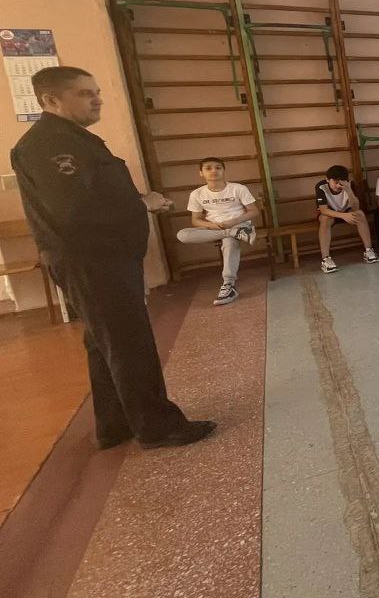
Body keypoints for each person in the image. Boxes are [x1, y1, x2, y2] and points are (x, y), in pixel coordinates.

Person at [12, 66, 215, 448]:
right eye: (84, 93)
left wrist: (139, 202)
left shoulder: (75, 139)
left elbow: (94, 194)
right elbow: (74, 210)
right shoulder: (49, 145)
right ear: (50, 100)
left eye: (97, 91)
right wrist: (142, 204)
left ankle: (115, 422)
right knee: (128, 341)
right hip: (92, 260)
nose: (97, 99)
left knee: (104, 340)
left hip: (104, 258)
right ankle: (157, 426)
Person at [176, 157, 259, 306]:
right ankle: (233, 233)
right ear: (201, 173)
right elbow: (196, 220)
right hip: (214, 228)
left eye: (218, 167)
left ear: (224, 170)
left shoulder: (238, 188)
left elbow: (253, 211)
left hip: (237, 224)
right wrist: (213, 225)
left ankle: (229, 285)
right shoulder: (197, 194)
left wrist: (233, 222)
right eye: (208, 168)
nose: (213, 171)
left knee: (229, 243)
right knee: (182, 235)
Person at [316, 165, 378, 272]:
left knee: (360, 214)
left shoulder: (349, 185)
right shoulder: (321, 186)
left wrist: (349, 190)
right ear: (327, 180)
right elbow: (324, 210)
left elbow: (355, 207)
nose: (338, 185)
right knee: (325, 219)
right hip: (330, 212)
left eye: (340, 183)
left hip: (346, 210)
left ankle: (368, 250)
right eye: (335, 182)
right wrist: (344, 216)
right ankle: (326, 259)